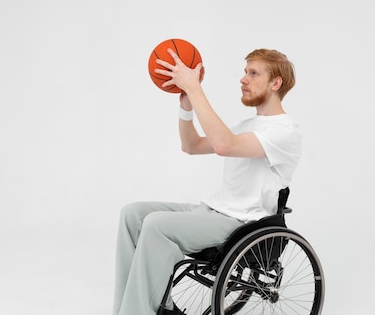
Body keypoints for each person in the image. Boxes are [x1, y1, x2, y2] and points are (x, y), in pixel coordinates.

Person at [112, 49, 302, 315]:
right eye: (245, 72)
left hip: (241, 223)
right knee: (132, 214)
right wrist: (187, 103)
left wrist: (194, 86)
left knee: (156, 225)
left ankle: (141, 311)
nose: (243, 79)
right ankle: (126, 309)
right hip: (212, 210)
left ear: (276, 83)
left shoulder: (285, 130)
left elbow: (224, 145)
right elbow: (191, 145)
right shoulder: (247, 124)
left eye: (253, 73)